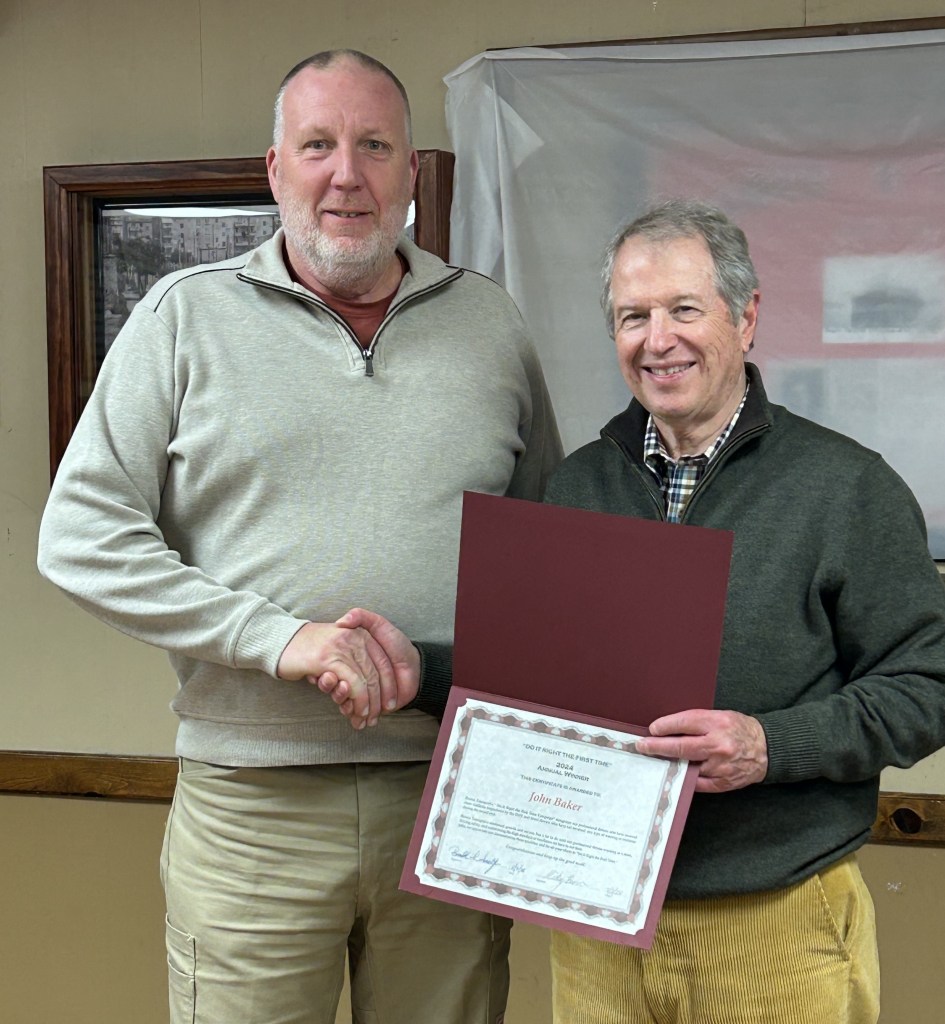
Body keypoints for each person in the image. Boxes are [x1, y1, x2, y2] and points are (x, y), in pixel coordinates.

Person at [37, 49, 561, 1024]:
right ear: (275, 169)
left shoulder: (490, 324)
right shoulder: (182, 318)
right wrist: (280, 639)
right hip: (252, 811)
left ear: (412, 171)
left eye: (374, 146)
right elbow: (79, 537)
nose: (346, 174)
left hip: (450, 797)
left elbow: (545, 561)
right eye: (318, 146)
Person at [543, 199, 945, 1024]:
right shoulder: (575, 486)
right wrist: (412, 667)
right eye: (632, 316)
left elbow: (927, 686)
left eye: (684, 309)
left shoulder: (846, 486)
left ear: (746, 316)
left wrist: (769, 745)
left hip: (774, 924)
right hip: (596, 921)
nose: (657, 339)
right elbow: (522, 675)